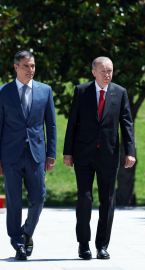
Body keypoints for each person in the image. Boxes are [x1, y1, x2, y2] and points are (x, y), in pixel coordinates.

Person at [63, 56, 136, 260]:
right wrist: (67, 152)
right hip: (83, 154)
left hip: (109, 155)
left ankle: (102, 245)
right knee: (85, 198)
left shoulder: (119, 93)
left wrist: (130, 151)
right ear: (93, 72)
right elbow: (72, 123)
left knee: (107, 201)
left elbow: (127, 123)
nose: (107, 74)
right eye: (103, 71)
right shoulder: (81, 91)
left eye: (110, 71)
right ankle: (83, 244)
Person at [0, 50, 57, 260]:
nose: (30, 70)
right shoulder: (3, 92)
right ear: (16, 67)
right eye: (26, 66)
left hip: (36, 154)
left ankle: (26, 232)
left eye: (32, 66)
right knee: (14, 201)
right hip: (10, 155)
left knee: (39, 199)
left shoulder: (45, 91)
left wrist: (51, 154)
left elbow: (50, 125)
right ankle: (18, 243)